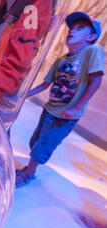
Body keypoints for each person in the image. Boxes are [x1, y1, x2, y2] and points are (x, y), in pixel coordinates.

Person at [15, 11, 104, 187]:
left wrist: (76, 108)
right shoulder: (62, 59)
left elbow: (96, 80)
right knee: (36, 141)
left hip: (65, 115)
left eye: (80, 28)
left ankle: (28, 173)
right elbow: (45, 84)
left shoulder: (93, 51)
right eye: (72, 28)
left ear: (91, 36)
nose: (73, 30)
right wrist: (24, 94)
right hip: (50, 109)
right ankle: (29, 168)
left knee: (44, 145)